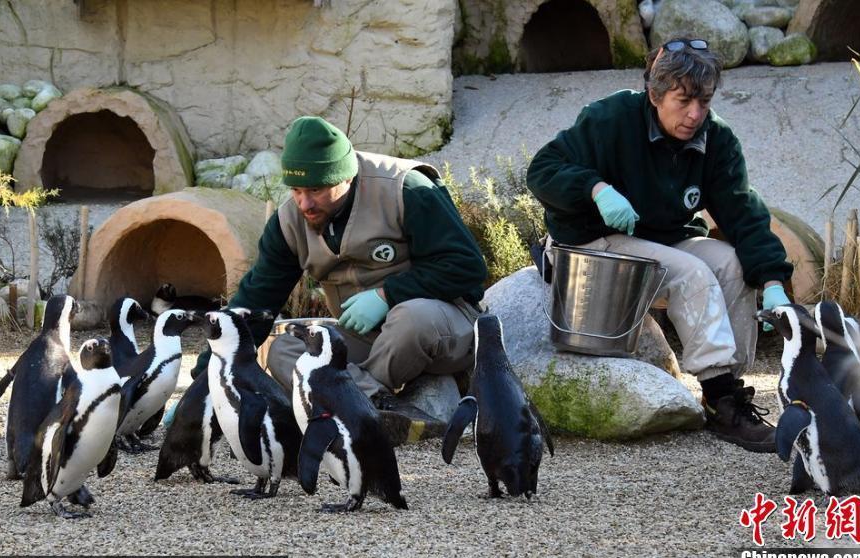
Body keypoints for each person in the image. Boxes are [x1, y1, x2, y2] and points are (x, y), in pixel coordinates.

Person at [525, 38, 793, 453]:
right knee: (691, 274)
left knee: (734, 266)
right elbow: (543, 170)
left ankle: (724, 392)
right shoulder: (610, 118)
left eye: (704, 102)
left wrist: (773, 279)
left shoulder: (715, 139)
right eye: (684, 100)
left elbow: (743, 212)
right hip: (594, 241)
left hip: (663, 237)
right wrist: (595, 189)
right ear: (654, 94)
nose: (695, 114)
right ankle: (722, 397)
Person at [192, 116, 487, 439]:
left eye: (316, 190)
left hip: (439, 327)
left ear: (344, 177)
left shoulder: (406, 189)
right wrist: (202, 385)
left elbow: (467, 268)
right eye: (296, 190)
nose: (305, 203)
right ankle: (374, 406)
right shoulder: (289, 222)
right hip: (364, 337)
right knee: (283, 351)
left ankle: (350, 406)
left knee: (410, 317)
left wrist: (387, 296)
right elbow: (253, 305)